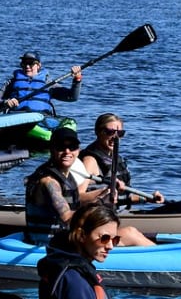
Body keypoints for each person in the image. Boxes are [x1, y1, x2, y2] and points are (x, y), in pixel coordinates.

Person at [24, 127, 154, 247]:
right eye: (61, 147)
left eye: (72, 147)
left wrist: (107, 194)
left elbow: (77, 202)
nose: (67, 152)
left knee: (130, 231)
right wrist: (101, 202)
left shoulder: (66, 175)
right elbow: (67, 218)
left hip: (66, 236)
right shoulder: (49, 181)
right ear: (52, 149)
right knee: (129, 234)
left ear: (78, 150)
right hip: (48, 243)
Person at [79, 113, 165, 206]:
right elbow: (77, 197)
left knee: (180, 206)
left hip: (118, 211)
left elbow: (122, 198)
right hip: (99, 215)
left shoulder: (115, 158)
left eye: (120, 133)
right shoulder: (90, 161)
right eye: (109, 132)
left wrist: (147, 198)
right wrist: (105, 192)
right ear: (98, 132)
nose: (115, 137)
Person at [36, 201, 118, 299]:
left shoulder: (62, 265)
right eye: (104, 238)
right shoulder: (75, 282)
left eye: (115, 239)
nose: (110, 246)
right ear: (82, 235)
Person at [0, 51, 82, 116]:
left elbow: (72, 97)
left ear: (38, 66)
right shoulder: (12, 82)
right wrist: (5, 102)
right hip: (16, 119)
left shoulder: (49, 84)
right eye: (24, 63)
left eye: (31, 63)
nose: (27, 66)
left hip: (41, 120)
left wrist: (77, 80)